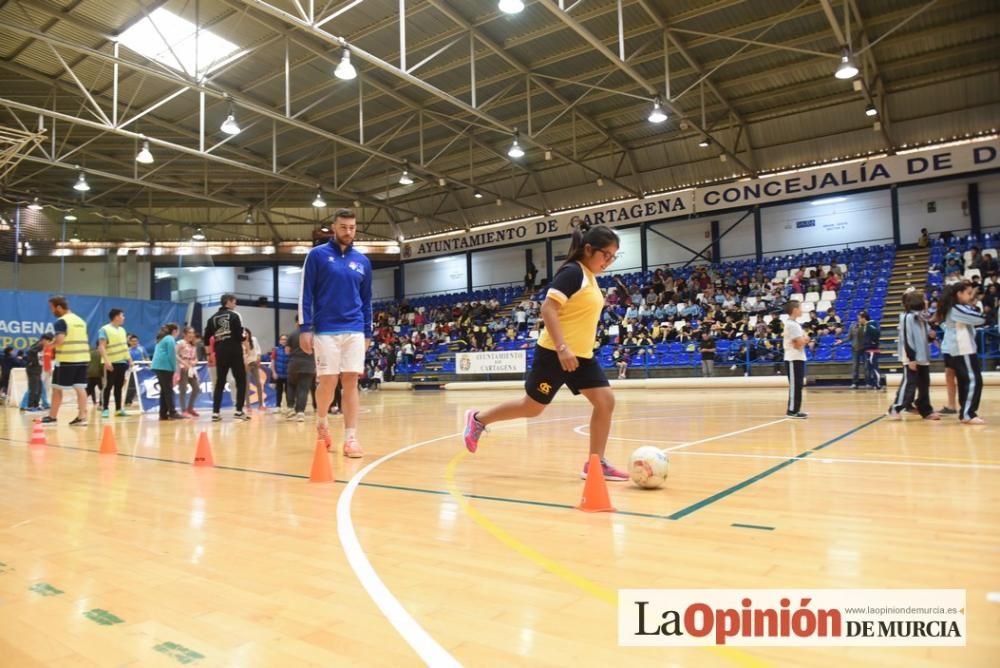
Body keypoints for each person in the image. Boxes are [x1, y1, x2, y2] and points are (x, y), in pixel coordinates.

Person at [462, 223, 630, 481]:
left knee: (606, 401)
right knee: (531, 408)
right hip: (555, 353)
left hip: (582, 356)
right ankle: (478, 419)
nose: (609, 260)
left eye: (613, 256)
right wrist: (562, 348)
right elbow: (547, 309)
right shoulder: (573, 272)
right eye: (605, 254)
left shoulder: (591, 277)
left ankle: (596, 464)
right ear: (588, 249)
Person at [298, 209, 372, 458]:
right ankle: (322, 424)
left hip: (355, 328)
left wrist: (368, 331)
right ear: (334, 227)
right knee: (328, 381)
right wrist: (305, 328)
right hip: (325, 329)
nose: (348, 231)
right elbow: (305, 294)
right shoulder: (317, 256)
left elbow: (367, 300)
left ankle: (351, 438)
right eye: (343, 227)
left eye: (352, 227)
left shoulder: (363, 261)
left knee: (351, 381)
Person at [937, 280, 986, 424]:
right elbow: (979, 319)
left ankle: (965, 412)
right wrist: (978, 310)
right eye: (968, 293)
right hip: (962, 349)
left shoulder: (956, 307)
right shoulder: (957, 308)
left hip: (960, 350)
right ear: (959, 294)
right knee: (974, 381)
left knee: (966, 381)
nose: (971, 296)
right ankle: (968, 413)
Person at [887, 292, 939, 420]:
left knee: (924, 384)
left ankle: (925, 410)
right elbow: (907, 338)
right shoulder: (907, 317)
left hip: (923, 356)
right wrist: (911, 358)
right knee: (909, 383)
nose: (927, 301)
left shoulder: (923, 318)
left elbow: (925, 336)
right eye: (924, 299)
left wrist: (931, 337)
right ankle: (895, 407)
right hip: (912, 356)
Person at [42, 296, 90, 426]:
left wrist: (49, 346)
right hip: (83, 359)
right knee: (80, 388)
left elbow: (60, 341)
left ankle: (52, 417)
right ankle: (82, 417)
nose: (52, 311)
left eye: (52, 308)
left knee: (57, 389)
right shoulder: (80, 320)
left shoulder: (61, 321)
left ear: (58, 307)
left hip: (67, 360)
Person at [203, 294, 249, 422]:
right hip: (234, 351)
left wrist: (208, 355)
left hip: (220, 352)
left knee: (219, 383)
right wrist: (244, 337)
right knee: (241, 381)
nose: (235, 304)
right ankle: (239, 411)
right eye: (234, 302)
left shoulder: (212, 318)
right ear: (228, 302)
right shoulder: (235, 315)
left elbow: (206, 338)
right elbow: (239, 335)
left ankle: (215, 413)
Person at [97, 308, 130, 418]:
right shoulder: (104, 329)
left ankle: (118, 409)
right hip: (111, 363)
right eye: (122, 315)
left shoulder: (122, 330)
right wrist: (107, 361)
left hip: (122, 362)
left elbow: (124, 347)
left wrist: (129, 360)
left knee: (119, 387)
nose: (124, 318)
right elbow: (101, 346)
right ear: (116, 317)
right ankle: (105, 408)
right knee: (108, 386)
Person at [783, 301, 808, 418]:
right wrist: (805, 339)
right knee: (795, 385)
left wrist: (804, 339)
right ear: (794, 310)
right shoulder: (791, 325)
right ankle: (792, 411)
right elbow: (798, 343)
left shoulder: (795, 324)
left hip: (798, 357)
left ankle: (796, 409)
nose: (801, 310)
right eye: (800, 308)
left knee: (798, 385)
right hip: (793, 358)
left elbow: (802, 340)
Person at [285, 327, 316, 422]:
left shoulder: (292, 334)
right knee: (303, 389)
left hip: (294, 364)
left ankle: (290, 407)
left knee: (291, 385)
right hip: (308, 365)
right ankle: (300, 412)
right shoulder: (313, 335)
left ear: (296, 322)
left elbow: (287, 351)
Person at [151, 323, 181, 421]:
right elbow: (171, 355)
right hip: (165, 367)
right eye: (178, 331)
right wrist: (174, 369)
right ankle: (172, 412)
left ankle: (163, 414)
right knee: (168, 390)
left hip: (158, 366)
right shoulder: (170, 339)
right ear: (174, 331)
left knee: (164, 391)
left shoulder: (163, 338)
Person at [175, 326, 201, 417]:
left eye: (192, 332)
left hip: (191, 368)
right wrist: (183, 363)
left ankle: (190, 408)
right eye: (189, 332)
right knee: (183, 389)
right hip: (183, 368)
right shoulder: (181, 343)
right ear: (184, 334)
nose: (191, 334)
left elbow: (196, 357)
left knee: (197, 388)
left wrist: (195, 362)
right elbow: (174, 354)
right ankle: (183, 410)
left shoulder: (193, 344)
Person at [24, 333, 53, 411]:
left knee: (39, 388)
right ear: (44, 340)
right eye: (49, 341)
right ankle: (30, 406)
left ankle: (36, 405)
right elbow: (29, 352)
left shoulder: (41, 345)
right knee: (34, 388)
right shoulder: (39, 345)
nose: (49, 343)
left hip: (38, 369)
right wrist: (32, 362)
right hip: (33, 369)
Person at [243, 328, 264, 411]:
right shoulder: (241, 343)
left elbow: (258, 349)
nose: (245, 335)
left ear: (249, 333)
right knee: (247, 385)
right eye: (243, 334)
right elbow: (243, 355)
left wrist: (258, 357)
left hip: (254, 363)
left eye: (246, 333)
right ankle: (248, 406)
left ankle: (261, 404)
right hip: (246, 365)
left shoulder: (254, 339)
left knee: (258, 383)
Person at [862, 313, 884, 391]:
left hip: (872, 350)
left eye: (859, 318)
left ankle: (878, 384)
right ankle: (875, 384)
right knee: (871, 368)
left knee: (874, 367)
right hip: (868, 349)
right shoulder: (866, 326)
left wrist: (873, 342)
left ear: (863, 318)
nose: (859, 320)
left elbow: (877, 332)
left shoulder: (870, 325)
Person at [125, 335, 147, 407]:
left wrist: (149, 366)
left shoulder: (142, 349)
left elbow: (146, 358)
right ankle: (128, 401)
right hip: (132, 370)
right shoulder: (128, 350)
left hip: (142, 370)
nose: (134, 342)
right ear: (130, 342)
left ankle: (146, 401)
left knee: (144, 385)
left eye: (136, 341)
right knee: (131, 386)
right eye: (133, 341)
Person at [271, 334, 289, 413]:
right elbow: (273, 362)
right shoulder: (276, 350)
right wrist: (274, 372)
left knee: (289, 391)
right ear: (279, 341)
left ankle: (290, 407)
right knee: (279, 391)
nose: (284, 341)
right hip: (278, 374)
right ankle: (278, 406)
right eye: (282, 339)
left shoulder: (290, 349)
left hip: (288, 375)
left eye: (285, 339)